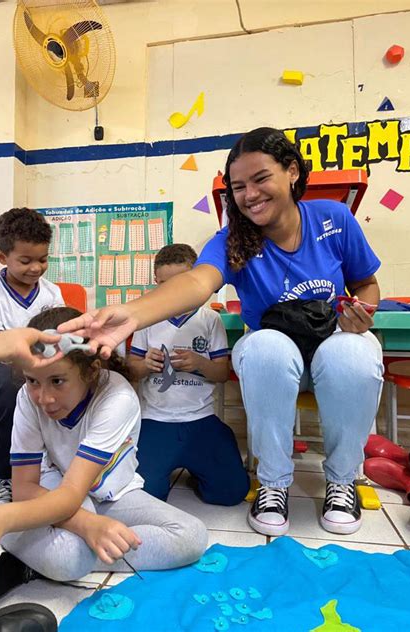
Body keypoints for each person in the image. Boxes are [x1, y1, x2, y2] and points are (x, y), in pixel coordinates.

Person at [58, 127, 384, 537]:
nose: (250, 194)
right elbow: (197, 283)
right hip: (278, 361)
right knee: (265, 346)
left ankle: (341, 480)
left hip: (330, 351)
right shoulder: (234, 239)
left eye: (261, 178)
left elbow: (366, 282)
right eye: (239, 186)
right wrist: (132, 315)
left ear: (293, 172)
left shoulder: (333, 220)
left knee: (354, 352)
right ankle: (273, 482)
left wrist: (362, 311)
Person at [0, 307, 208, 605]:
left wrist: (92, 527)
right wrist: (85, 525)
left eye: (57, 381)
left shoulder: (116, 398)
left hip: (111, 494)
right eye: (32, 381)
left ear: (92, 370)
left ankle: (37, 558)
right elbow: (25, 488)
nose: (44, 398)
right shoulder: (26, 400)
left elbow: (74, 495)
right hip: (52, 487)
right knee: (70, 556)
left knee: (191, 536)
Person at [128, 244, 249, 505]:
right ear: (155, 281)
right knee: (146, 496)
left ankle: (198, 471)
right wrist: (145, 364)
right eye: (164, 285)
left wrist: (198, 363)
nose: (172, 293)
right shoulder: (145, 319)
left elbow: (221, 373)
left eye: (180, 284)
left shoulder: (209, 319)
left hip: (201, 419)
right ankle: (173, 466)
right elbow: (131, 370)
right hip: (155, 420)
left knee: (230, 493)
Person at [0, 207, 63, 499]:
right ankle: (2, 474)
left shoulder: (51, 293)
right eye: (25, 261)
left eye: (43, 259)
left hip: (42, 363)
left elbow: (59, 334)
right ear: (3, 258)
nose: (36, 268)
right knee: (12, 388)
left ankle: (61, 464)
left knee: (74, 382)